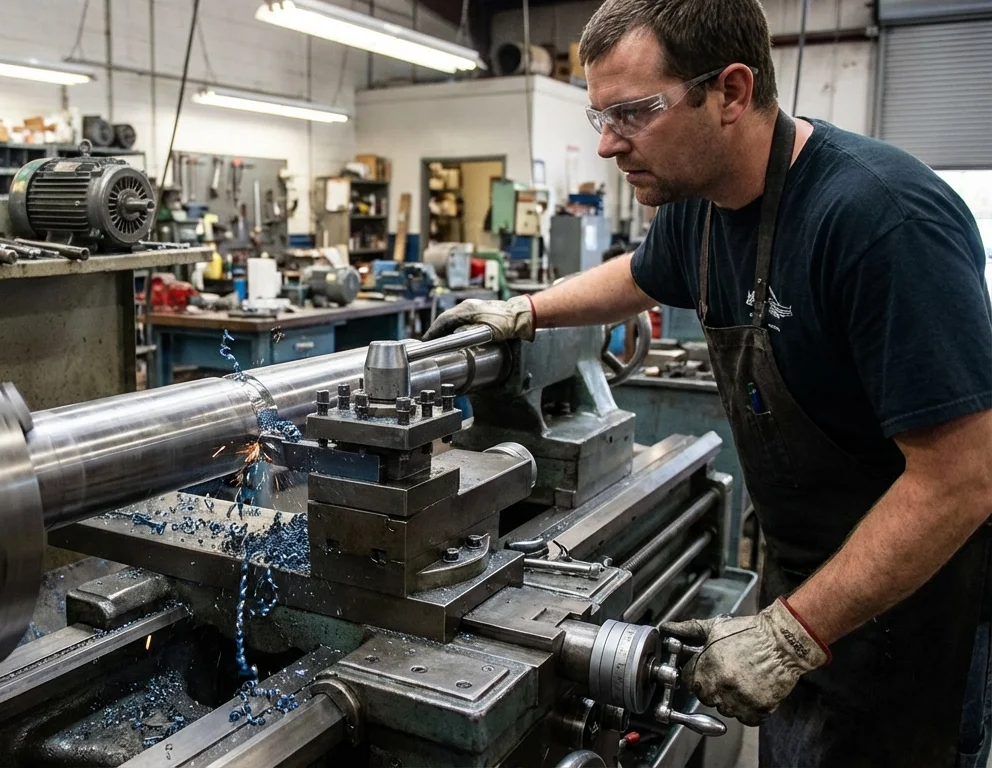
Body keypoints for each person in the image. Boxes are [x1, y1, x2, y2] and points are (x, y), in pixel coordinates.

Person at [424, 1, 992, 765]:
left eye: (632, 113)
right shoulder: (699, 206)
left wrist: (797, 632)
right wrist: (523, 312)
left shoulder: (879, 220)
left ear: (729, 91)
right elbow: (640, 275)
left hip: (914, 620)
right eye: (601, 115)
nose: (604, 144)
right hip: (807, 589)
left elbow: (962, 478)